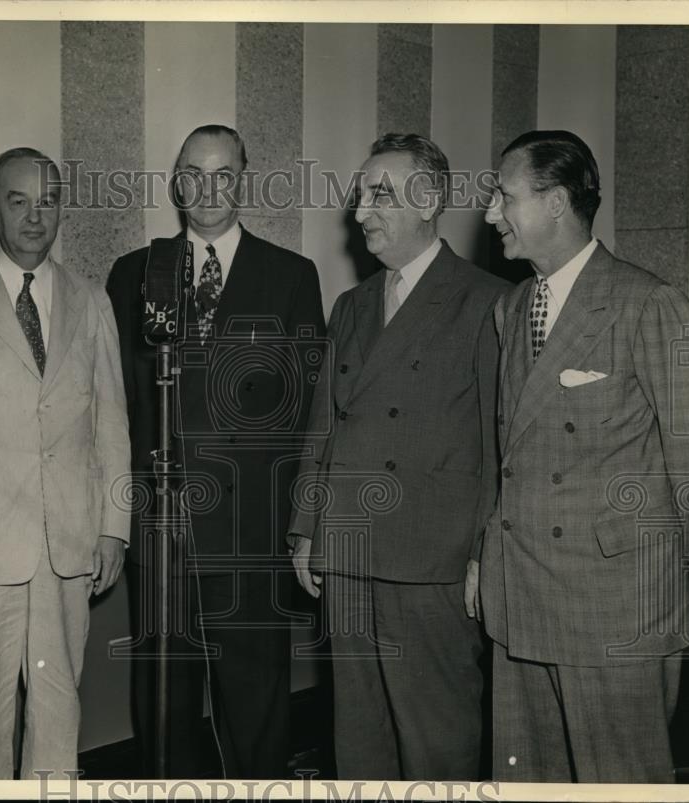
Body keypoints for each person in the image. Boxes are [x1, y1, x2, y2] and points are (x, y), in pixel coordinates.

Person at [478, 129, 689, 783]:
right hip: (518, 595)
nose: (490, 213)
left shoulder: (649, 304)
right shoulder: (511, 307)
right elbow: (508, 455)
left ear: (555, 202)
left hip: (611, 606)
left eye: (504, 196)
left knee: (620, 780)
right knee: (528, 778)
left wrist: (643, 569)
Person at [106, 124, 325, 778]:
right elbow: (115, 402)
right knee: (164, 702)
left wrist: (299, 525)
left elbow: (310, 413)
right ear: (177, 183)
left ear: (243, 180)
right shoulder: (136, 273)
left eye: (222, 173)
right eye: (193, 174)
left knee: (255, 700)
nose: (208, 188)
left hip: (249, 531)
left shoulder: (290, 276)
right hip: (162, 530)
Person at [288, 133, 507, 780]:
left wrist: (483, 555)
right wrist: (306, 530)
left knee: (435, 742)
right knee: (359, 740)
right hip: (348, 552)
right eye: (361, 198)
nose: (361, 214)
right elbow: (321, 427)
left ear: (429, 199)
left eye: (379, 196)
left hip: (431, 560)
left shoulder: (488, 300)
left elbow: (501, 445)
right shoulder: (352, 305)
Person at [0, 148, 130, 779]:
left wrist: (114, 527)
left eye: (47, 200)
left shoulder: (90, 300)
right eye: (17, 201)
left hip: (68, 543)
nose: (34, 215)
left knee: (58, 701)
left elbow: (111, 421)